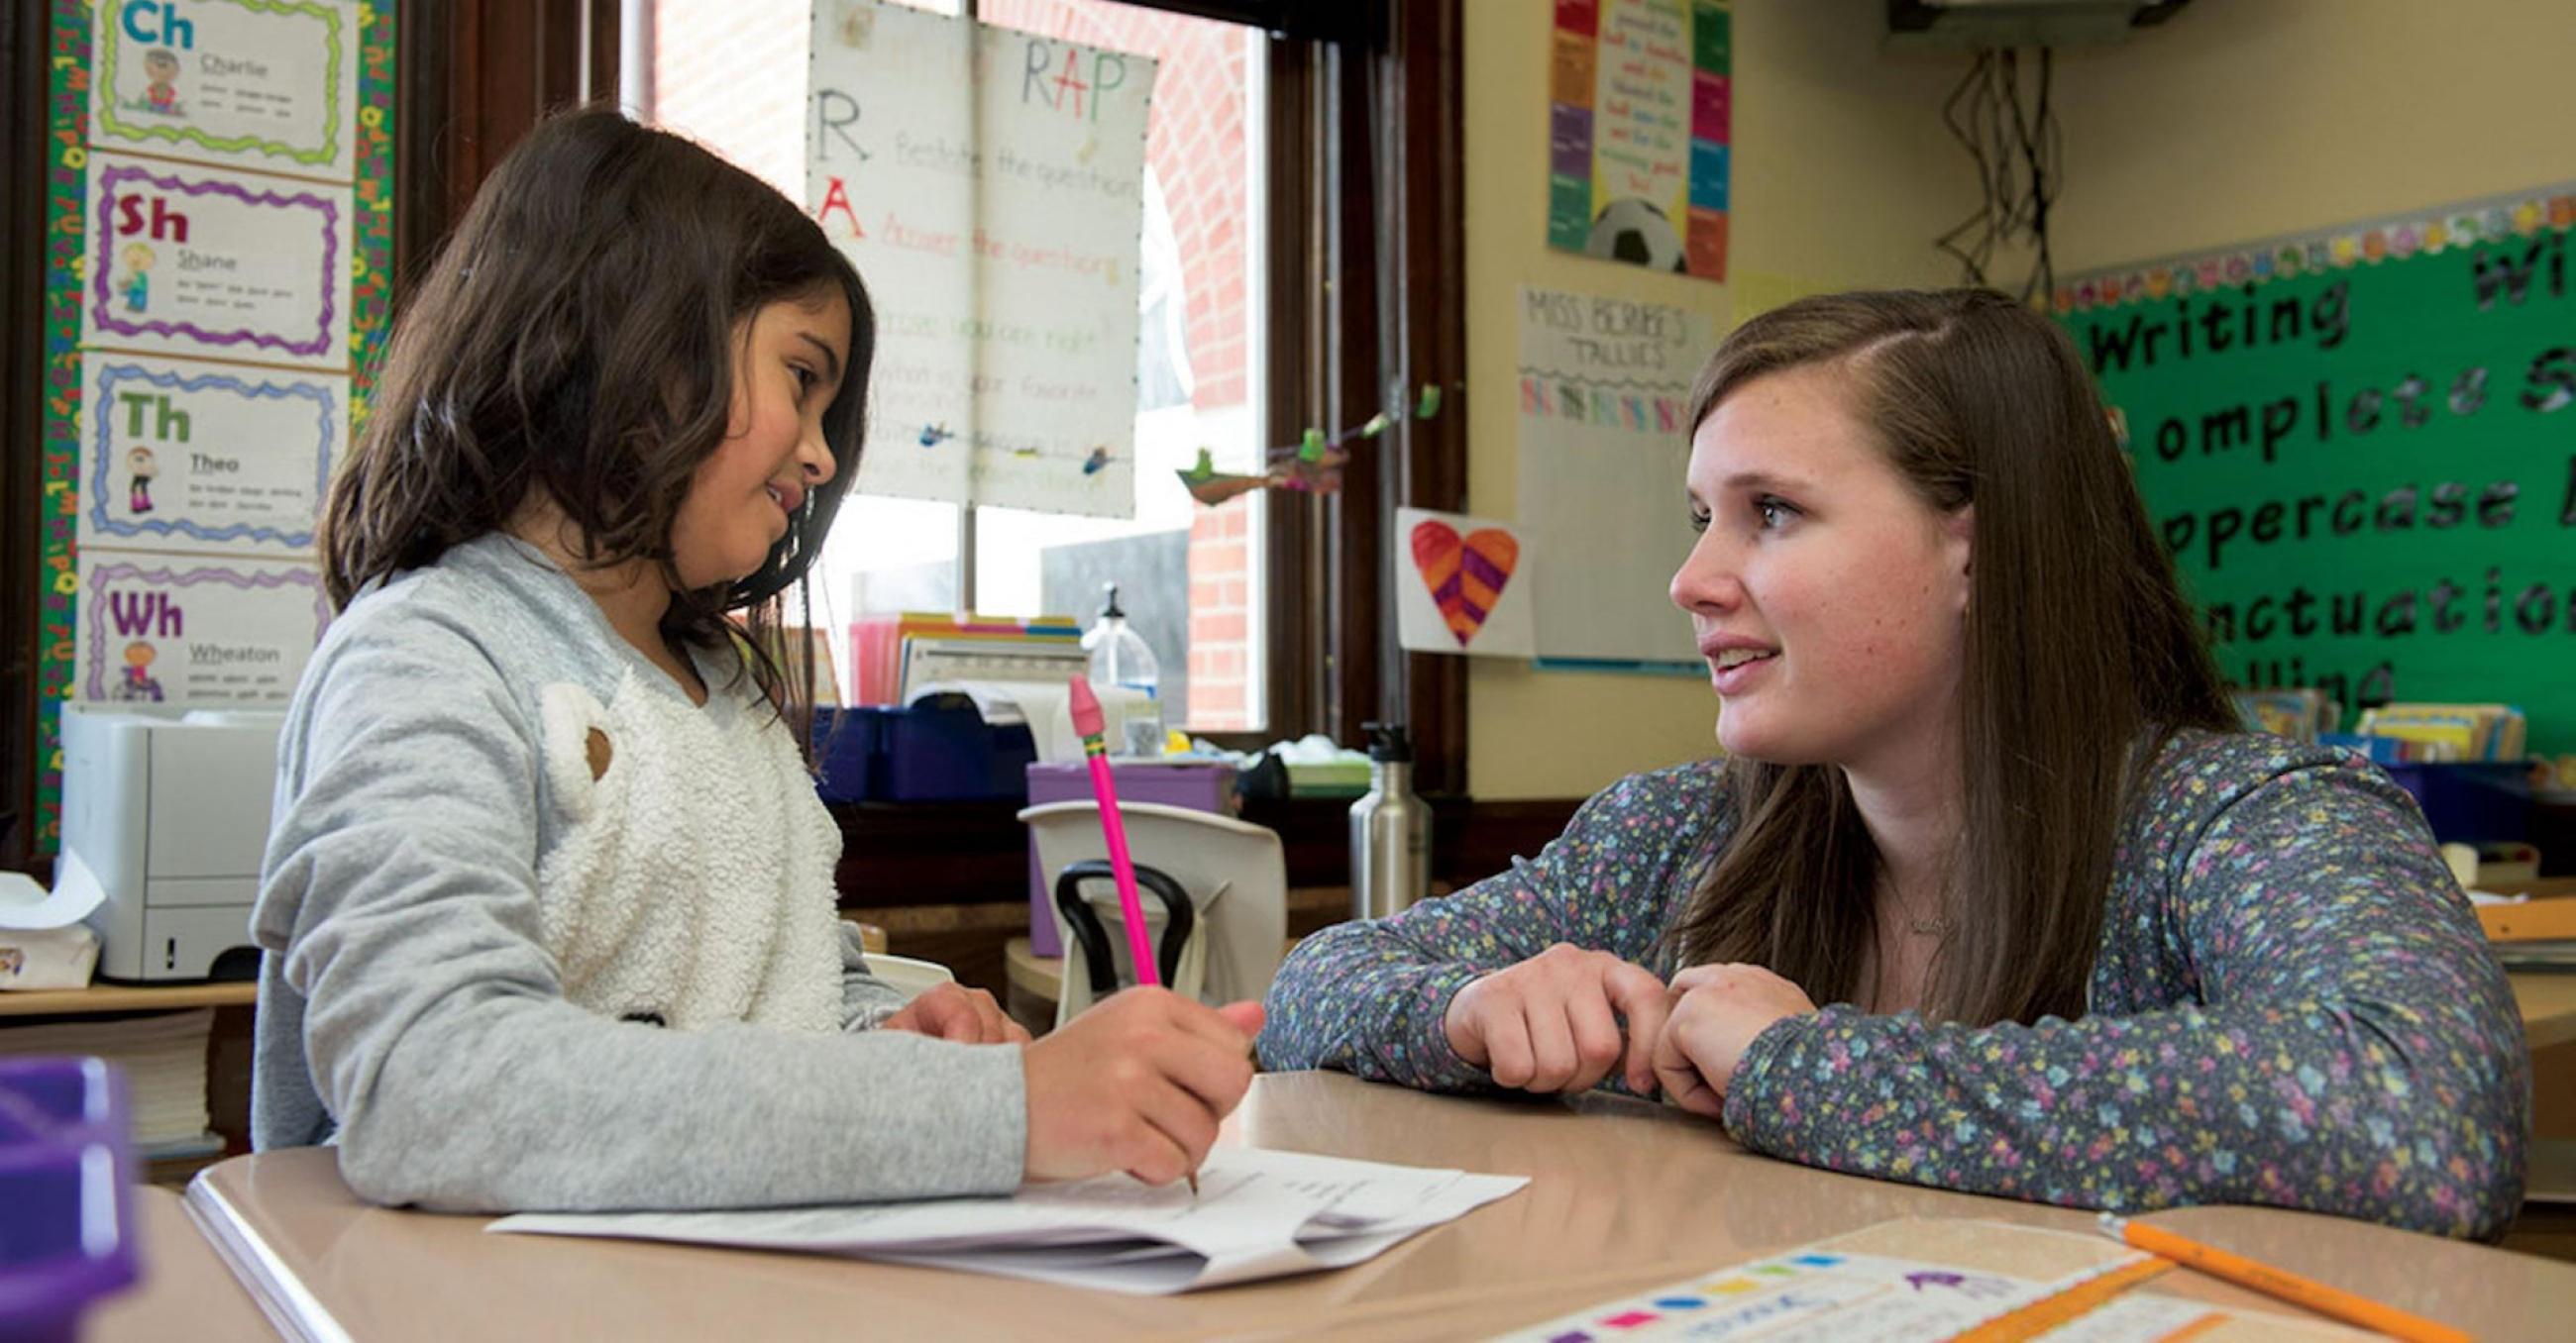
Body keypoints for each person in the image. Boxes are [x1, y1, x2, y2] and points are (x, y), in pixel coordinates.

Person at [1261, 288, 2527, 1240]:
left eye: (1769, 512)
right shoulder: (1678, 832)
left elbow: (2423, 1111)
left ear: (1975, 550)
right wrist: (1461, 1011)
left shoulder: (2240, 819)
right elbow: (1311, 988)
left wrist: (1802, 1069)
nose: (1692, 580)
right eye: (1700, 517)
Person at [253, 109, 1261, 1214]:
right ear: (636, 341)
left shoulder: (721, 689)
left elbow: (773, 994)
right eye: (800, 376)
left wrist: (883, 1034)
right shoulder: (425, 657)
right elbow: (431, 1088)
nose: (823, 456)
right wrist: (1003, 1112)